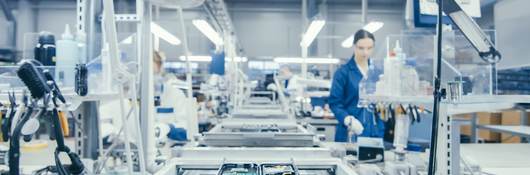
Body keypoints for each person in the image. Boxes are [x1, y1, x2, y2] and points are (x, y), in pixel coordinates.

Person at [329, 29, 384, 142]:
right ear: (354, 47)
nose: (365, 53)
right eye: (361, 48)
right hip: (350, 132)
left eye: (369, 48)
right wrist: (347, 120)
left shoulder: (378, 73)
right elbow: (335, 103)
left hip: (374, 132)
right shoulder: (343, 73)